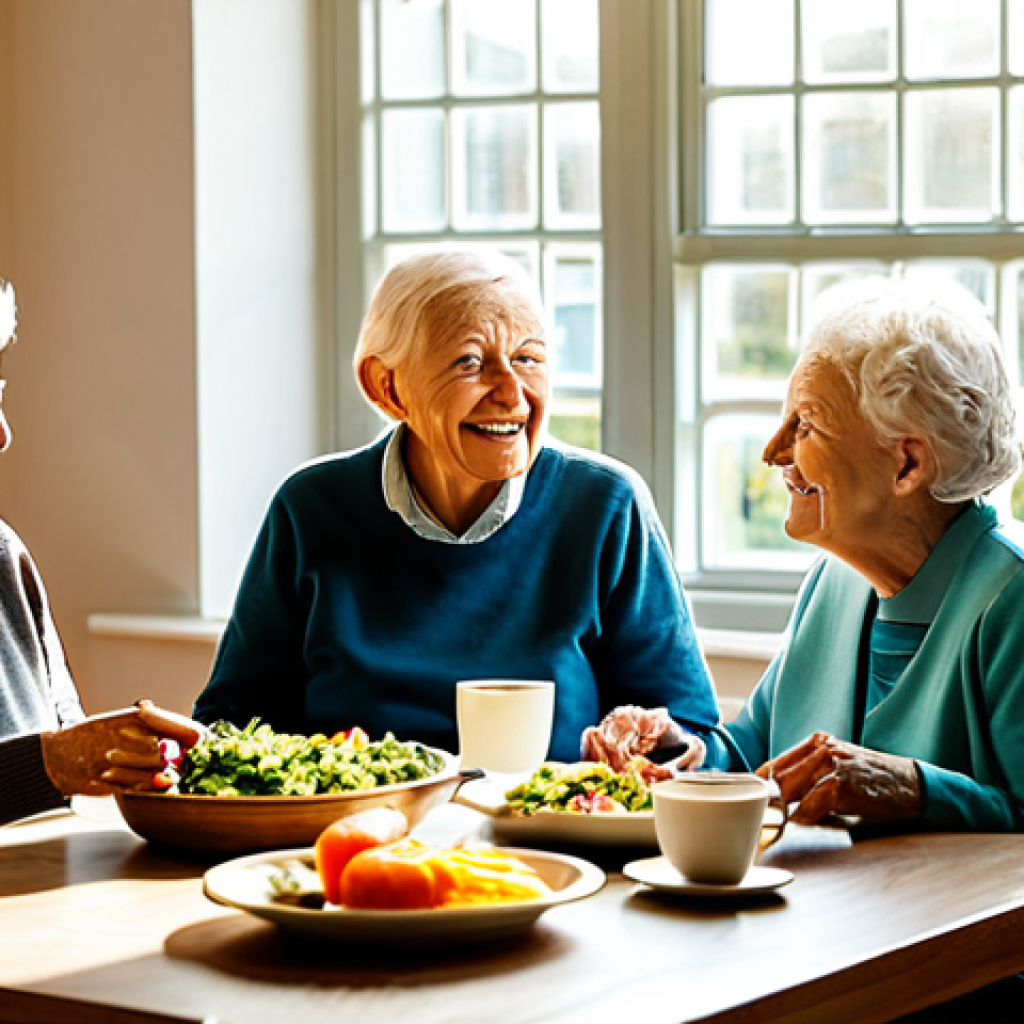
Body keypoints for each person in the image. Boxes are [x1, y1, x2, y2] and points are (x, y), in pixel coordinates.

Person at [194, 251, 718, 764]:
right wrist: (173, 753)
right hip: (358, 820)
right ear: (387, 387)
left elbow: (699, 740)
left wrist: (664, 743)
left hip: (545, 821)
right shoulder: (310, 508)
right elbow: (229, 726)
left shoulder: (607, 505)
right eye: (470, 362)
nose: (511, 393)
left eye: (528, 358)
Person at [696, 276, 1024, 832]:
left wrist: (917, 791)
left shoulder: (1012, 598)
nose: (774, 453)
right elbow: (752, 755)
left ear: (906, 465)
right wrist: (675, 751)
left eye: (806, 425)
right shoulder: (834, 580)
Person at [0, 279, 202, 826]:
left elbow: (63, 736)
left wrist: (117, 753)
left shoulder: (4, 555)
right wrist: (53, 762)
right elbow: (52, 760)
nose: (4, 434)